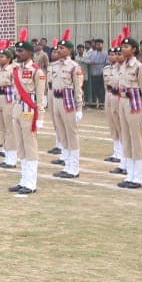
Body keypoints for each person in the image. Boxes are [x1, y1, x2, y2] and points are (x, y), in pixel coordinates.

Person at [8, 31, 48, 195]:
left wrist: (40, 116)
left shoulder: (37, 71)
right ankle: (23, 179)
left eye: (21, 51)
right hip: (17, 109)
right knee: (21, 147)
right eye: (17, 51)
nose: (18, 54)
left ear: (30, 53)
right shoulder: (15, 69)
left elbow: (40, 96)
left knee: (30, 146)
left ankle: (31, 183)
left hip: (29, 110)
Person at [47, 34, 85, 179]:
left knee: (71, 134)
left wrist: (79, 108)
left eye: (62, 48)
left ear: (69, 50)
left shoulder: (74, 67)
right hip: (56, 100)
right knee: (62, 133)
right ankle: (67, 164)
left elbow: (77, 88)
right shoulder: (54, 65)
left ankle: (74, 167)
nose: (59, 50)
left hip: (67, 100)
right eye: (58, 48)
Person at [116, 34, 142, 189]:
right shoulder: (122, 65)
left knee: (136, 140)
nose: (123, 49)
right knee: (126, 139)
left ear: (134, 49)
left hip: (134, 103)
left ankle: (138, 177)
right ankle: (130, 174)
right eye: (122, 46)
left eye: (126, 47)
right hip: (123, 102)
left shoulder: (139, 67)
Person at [0, 48, 18, 169]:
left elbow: (17, 87)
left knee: (9, 129)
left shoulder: (13, 69)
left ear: (9, 58)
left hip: (9, 99)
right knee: (1, 129)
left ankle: (12, 159)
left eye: (2, 56)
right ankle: (6, 154)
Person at [83, 40, 107, 108]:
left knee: (102, 90)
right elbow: (85, 60)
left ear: (102, 45)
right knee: (95, 89)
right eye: (97, 44)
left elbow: (107, 62)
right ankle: (96, 103)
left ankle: (102, 104)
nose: (98, 46)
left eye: (100, 44)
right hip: (93, 74)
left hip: (102, 74)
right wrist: (90, 62)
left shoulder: (105, 53)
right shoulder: (92, 53)